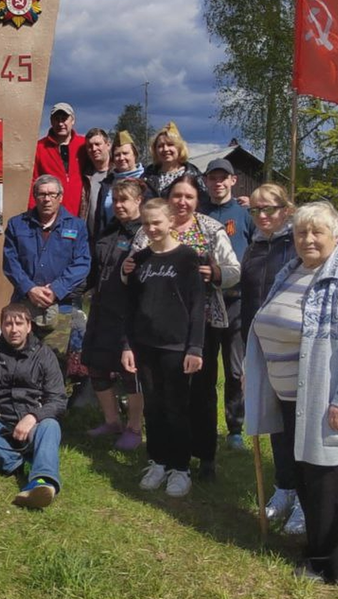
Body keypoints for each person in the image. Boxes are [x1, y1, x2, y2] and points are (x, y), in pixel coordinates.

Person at [244, 201, 338, 584]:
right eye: (302, 231)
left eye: (317, 232)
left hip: (327, 401)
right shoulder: (291, 272)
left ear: (335, 236)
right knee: (306, 477)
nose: (308, 239)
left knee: (330, 485)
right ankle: (316, 552)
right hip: (291, 398)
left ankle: (335, 569)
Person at [121, 198, 207, 498]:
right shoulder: (140, 259)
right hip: (145, 345)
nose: (151, 228)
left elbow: (198, 306)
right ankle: (157, 461)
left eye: (157, 222)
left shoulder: (187, 258)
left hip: (177, 347)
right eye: (146, 223)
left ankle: (180, 468)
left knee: (176, 408)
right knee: (153, 407)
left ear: (171, 221)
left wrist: (195, 347)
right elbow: (130, 307)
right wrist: (127, 346)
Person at [164, 175, 240, 480]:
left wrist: (217, 272)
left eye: (189, 197)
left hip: (203, 323)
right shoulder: (156, 226)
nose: (182, 202)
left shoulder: (209, 229)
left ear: (197, 201)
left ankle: (206, 455)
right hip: (163, 325)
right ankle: (172, 454)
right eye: (177, 196)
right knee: (169, 392)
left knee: (203, 392)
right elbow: (136, 261)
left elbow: (234, 270)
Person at [238, 183, 303, 534]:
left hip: (294, 351)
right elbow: (248, 303)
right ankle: (285, 487)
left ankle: (305, 499)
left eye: (270, 209)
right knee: (273, 419)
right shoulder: (253, 249)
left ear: (286, 209)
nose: (263, 216)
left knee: (297, 425)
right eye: (256, 210)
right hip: (261, 349)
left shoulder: (297, 246)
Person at [0, 303, 67, 509]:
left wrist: (33, 416)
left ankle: (42, 481)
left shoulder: (44, 354)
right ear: (1, 327)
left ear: (29, 327)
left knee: (51, 425)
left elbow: (58, 400)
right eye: (8, 324)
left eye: (19, 323)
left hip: (32, 426)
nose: (13, 329)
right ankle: (13, 461)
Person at [81, 178, 147, 451]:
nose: (119, 205)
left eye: (125, 200)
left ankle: (135, 427)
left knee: (130, 373)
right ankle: (112, 421)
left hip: (129, 314)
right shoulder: (109, 231)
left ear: (138, 202)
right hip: (101, 309)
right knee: (96, 365)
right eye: (115, 201)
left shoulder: (144, 234)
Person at [200, 158, 256, 451]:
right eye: (213, 178)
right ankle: (204, 423)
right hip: (206, 303)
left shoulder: (244, 215)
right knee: (205, 369)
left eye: (224, 178)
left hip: (236, 303)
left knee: (235, 370)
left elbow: (257, 252)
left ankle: (235, 428)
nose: (218, 183)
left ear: (233, 181)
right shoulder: (199, 212)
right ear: (206, 181)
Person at [2, 175, 91, 328]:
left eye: (52, 194)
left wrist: (56, 289)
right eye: (42, 194)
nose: (47, 199)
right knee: (19, 349)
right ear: (35, 197)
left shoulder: (77, 226)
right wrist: (30, 288)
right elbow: (10, 262)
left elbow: (82, 263)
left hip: (62, 305)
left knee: (56, 352)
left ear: (60, 197)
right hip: (24, 302)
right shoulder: (17, 225)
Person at [29, 102, 89, 216]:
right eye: (57, 119)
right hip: (49, 214)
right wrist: (33, 212)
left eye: (64, 119)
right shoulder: (39, 148)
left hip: (80, 213)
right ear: (51, 121)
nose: (61, 123)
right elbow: (33, 182)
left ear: (73, 120)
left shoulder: (84, 145)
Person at [144, 122, 206, 200]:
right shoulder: (147, 176)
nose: (165, 149)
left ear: (179, 148)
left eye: (170, 144)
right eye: (160, 146)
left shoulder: (194, 175)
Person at [76, 128, 111, 243]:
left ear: (108, 145)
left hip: (111, 239)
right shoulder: (85, 176)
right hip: (88, 239)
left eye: (97, 144)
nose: (94, 149)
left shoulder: (117, 174)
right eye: (90, 146)